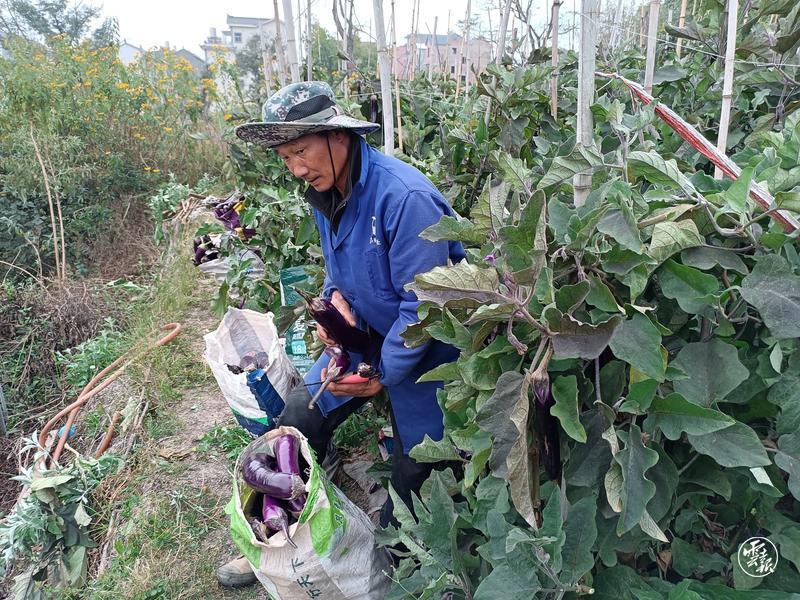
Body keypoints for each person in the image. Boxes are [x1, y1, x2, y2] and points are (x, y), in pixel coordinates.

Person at [216, 81, 465, 588]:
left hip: (431, 349)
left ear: (338, 135)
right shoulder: (324, 193)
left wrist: (383, 376)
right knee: (297, 416)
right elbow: (340, 269)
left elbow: (427, 304)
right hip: (366, 336)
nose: (297, 168)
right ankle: (282, 534)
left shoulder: (404, 198)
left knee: (415, 478)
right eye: (286, 157)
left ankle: (400, 565)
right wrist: (334, 306)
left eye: (301, 150)